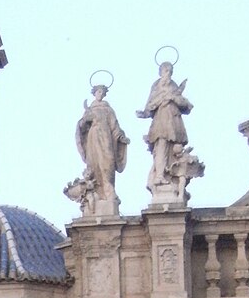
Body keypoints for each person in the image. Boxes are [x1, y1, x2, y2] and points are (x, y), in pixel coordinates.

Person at [136, 63, 193, 192]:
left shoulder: (174, 87)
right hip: (160, 122)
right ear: (160, 72)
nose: (168, 73)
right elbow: (149, 106)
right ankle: (159, 176)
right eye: (166, 70)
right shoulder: (156, 87)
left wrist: (173, 98)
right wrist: (145, 112)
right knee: (161, 147)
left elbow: (185, 105)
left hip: (173, 121)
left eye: (170, 71)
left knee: (175, 149)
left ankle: (172, 177)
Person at [75, 85, 129, 205]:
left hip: (106, 137)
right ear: (94, 93)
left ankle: (109, 190)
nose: (100, 94)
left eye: (102, 92)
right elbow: (82, 126)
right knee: (94, 164)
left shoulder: (108, 109)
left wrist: (121, 137)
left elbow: (114, 126)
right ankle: (97, 191)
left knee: (108, 161)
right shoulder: (90, 109)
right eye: (99, 92)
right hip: (93, 138)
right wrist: (85, 120)